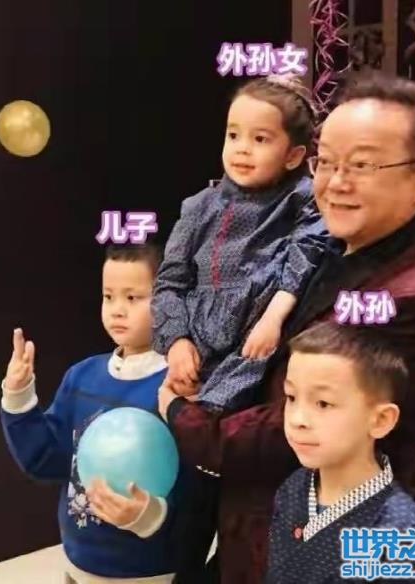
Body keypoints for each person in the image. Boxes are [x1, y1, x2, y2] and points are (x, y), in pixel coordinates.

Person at [159, 72, 415, 584]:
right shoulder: (339, 237)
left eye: (362, 164)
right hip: (259, 516)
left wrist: (182, 416)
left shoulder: (412, 300)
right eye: (327, 162)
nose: (336, 182)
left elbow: (298, 427)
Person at [0, 243, 184, 583]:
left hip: (150, 572)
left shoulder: (178, 385)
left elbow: (197, 495)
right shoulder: (82, 377)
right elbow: (44, 460)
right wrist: (18, 394)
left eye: (133, 298)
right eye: (108, 296)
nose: (117, 310)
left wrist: (148, 516)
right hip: (79, 565)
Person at [152, 74, 327, 412]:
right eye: (233, 135)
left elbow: (304, 259)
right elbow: (170, 282)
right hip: (198, 349)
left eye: (260, 139)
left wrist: (272, 320)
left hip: (261, 339)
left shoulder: (302, 199)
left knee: (223, 416)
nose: (242, 148)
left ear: (293, 156)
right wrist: (177, 342)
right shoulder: (199, 207)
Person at [267, 321, 415, 584]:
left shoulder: (403, 531)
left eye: (323, 403)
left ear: (381, 420)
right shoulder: (294, 488)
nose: (297, 419)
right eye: (291, 397)